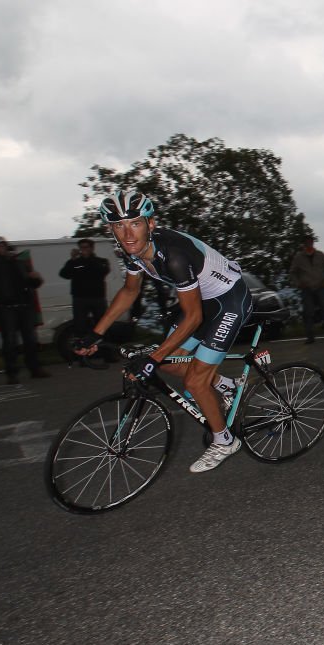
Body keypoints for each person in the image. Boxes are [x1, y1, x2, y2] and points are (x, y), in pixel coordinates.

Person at [74, 190, 253, 473]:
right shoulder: (132, 252)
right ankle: (224, 385)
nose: (127, 233)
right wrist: (97, 333)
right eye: (119, 226)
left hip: (228, 300)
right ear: (111, 229)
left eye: (135, 222)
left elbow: (193, 318)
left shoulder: (174, 256)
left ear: (151, 224)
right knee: (171, 363)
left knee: (194, 381)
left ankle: (225, 440)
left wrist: (152, 358)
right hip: (201, 300)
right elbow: (130, 291)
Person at [0, 236, 50, 384]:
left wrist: (36, 278)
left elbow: (33, 284)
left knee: (30, 339)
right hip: (6, 308)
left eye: (3, 245)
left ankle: (35, 369)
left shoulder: (20, 263)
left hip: (24, 306)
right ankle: (12, 373)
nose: (1, 248)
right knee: (10, 341)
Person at [59, 238, 111, 338]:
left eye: (86, 247)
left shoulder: (101, 261)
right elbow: (64, 274)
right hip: (80, 299)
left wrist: (88, 258)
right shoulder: (75, 262)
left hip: (97, 298)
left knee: (101, 324)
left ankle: (103, 347)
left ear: (92, 248)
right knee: (80, 325)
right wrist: (72, 260)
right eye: (81, 247)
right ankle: (83, 347)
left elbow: (103, 271)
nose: (83, 249)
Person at [289, 234, 324, 343]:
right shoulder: (299, 257)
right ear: (304, 243)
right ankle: (310, 337)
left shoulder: (320, 255)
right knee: (308, 313)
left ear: (313, 242)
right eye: (307, 241)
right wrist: (299, 283)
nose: (309, 243)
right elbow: (292, 272)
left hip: (321, 287)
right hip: (307, 289)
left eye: (310, 241)